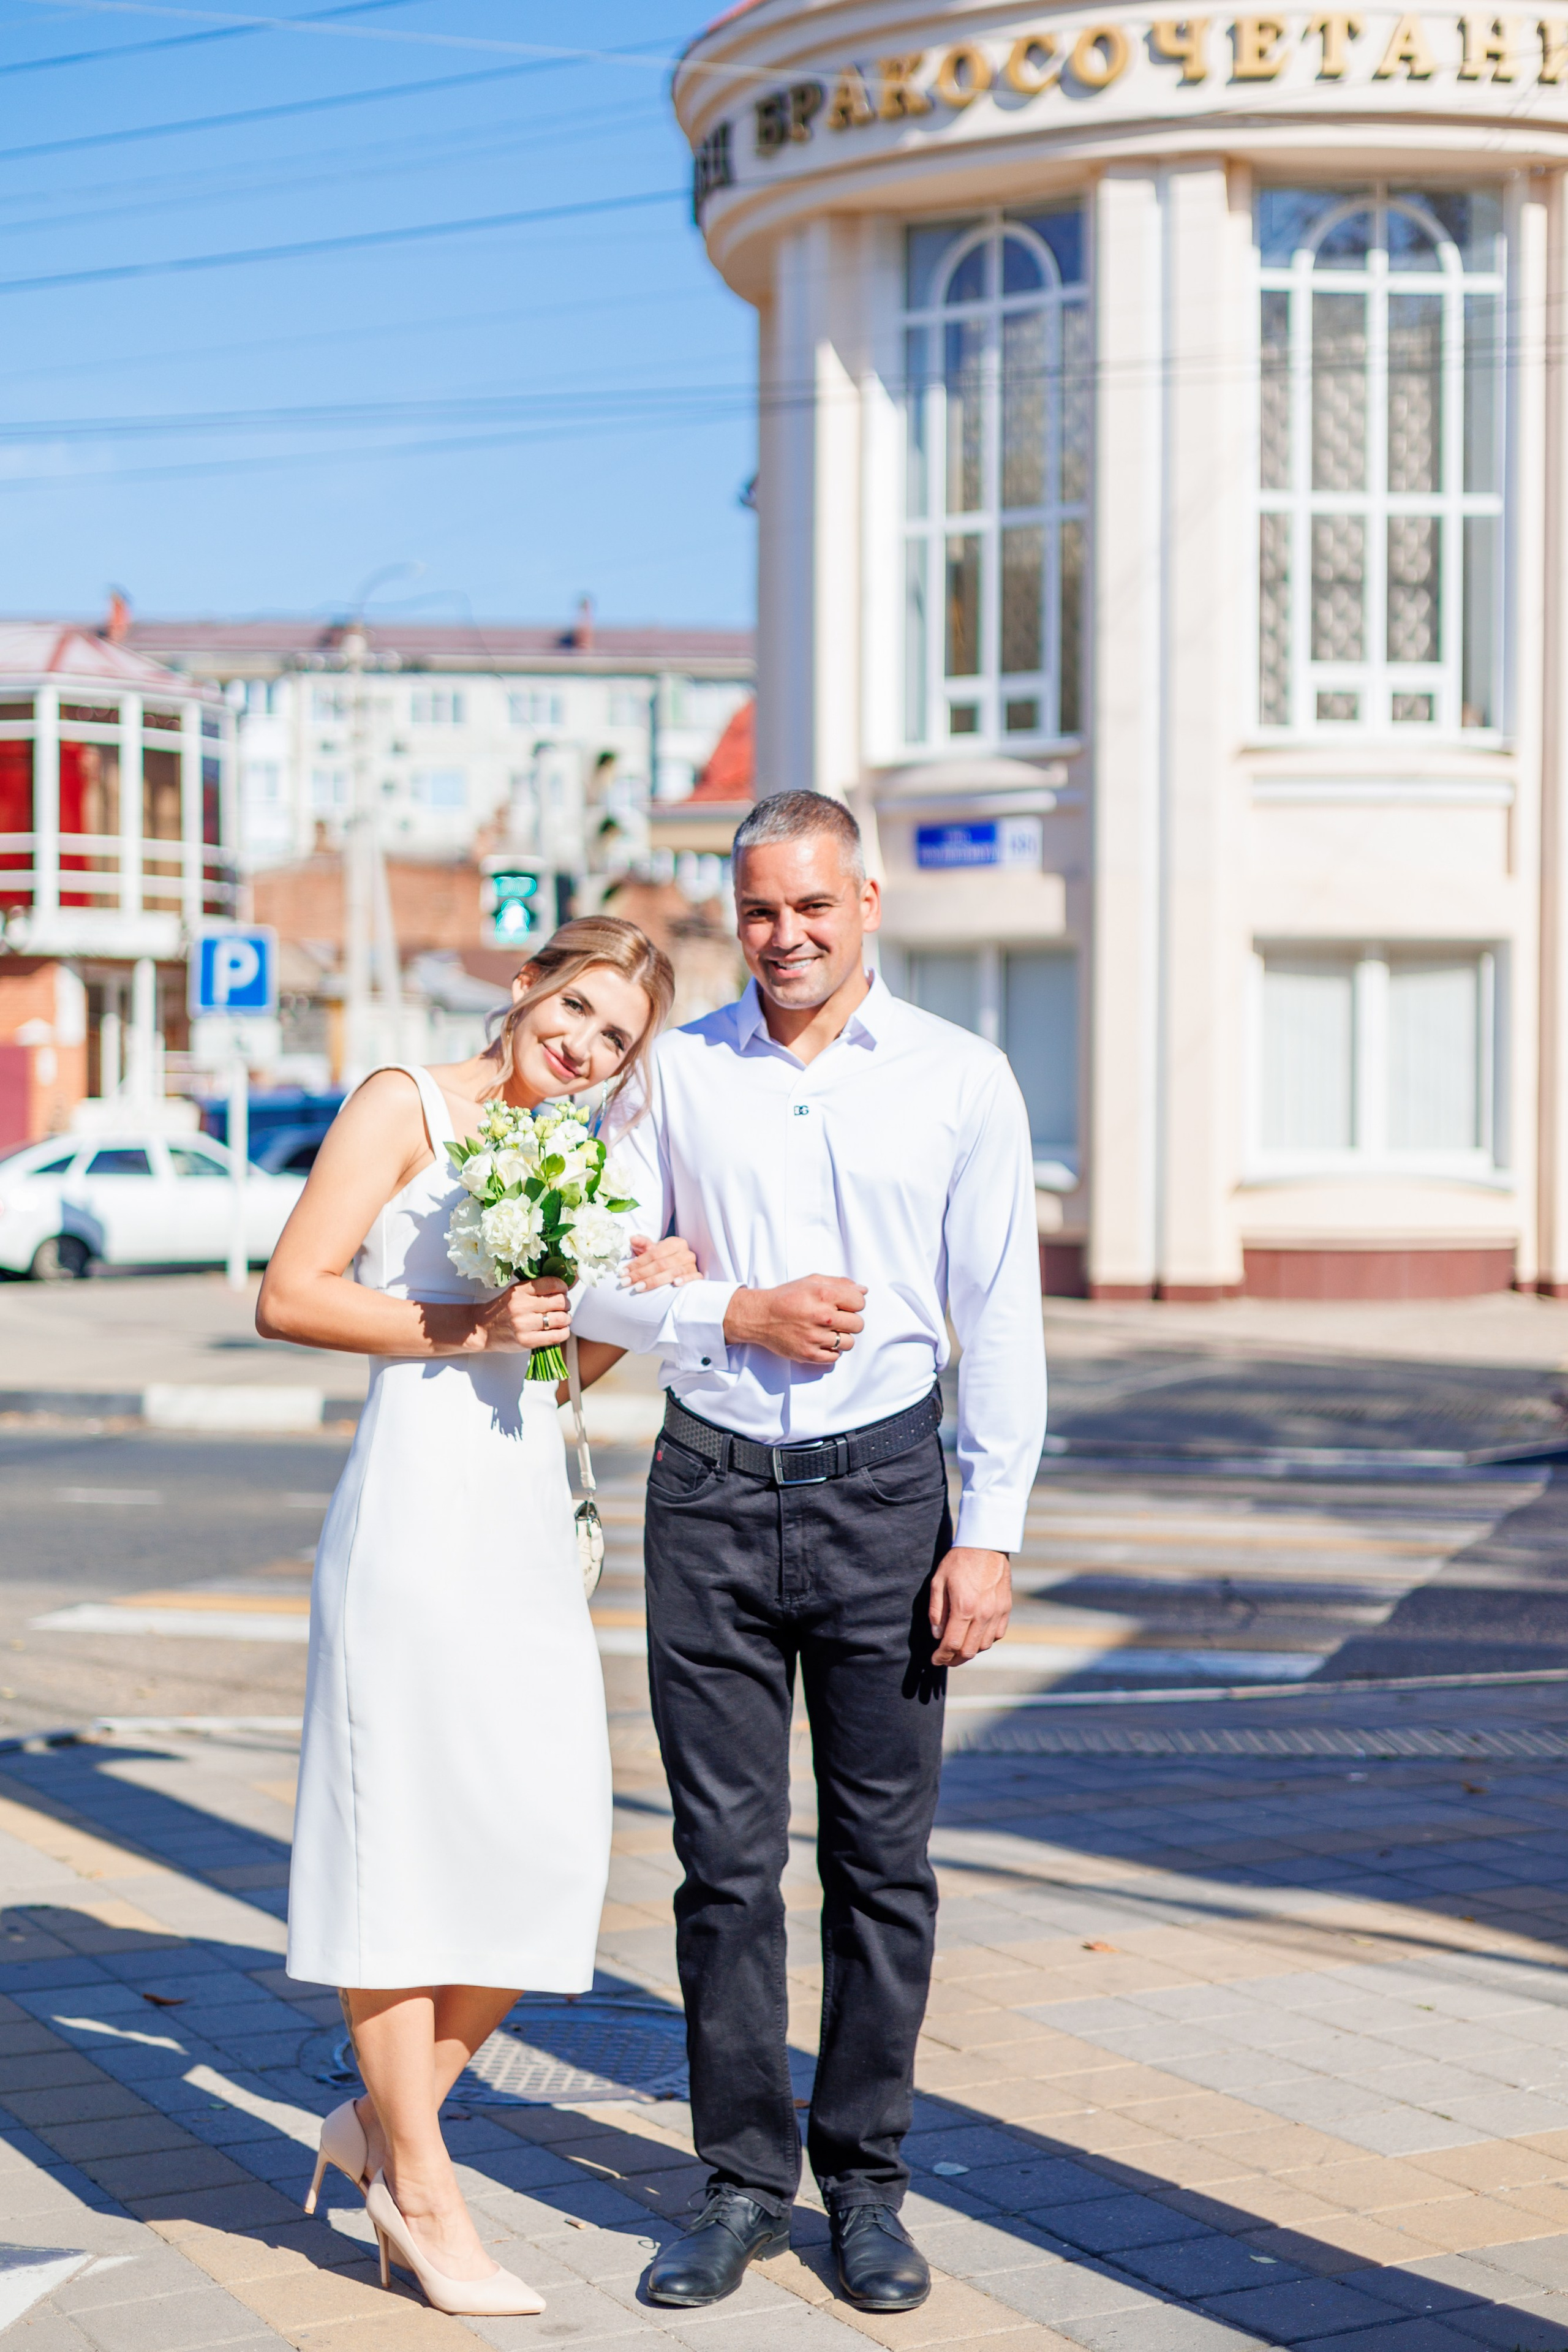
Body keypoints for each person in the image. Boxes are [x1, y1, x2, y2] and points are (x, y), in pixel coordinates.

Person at [572, 793, 1047, 2315]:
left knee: (878, 1866)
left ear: (867, 903)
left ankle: (866, 2184)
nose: (783, 938)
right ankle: (736, 2181)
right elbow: (599, 1280)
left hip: (887, 1496)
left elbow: (1003, 1322)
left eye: (810, 909)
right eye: (757, 912)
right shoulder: (677, 1073)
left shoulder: (960, 1081)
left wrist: (987, 1534)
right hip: (707, 1490)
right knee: (720, 1870)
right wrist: (729, 1310)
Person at [257, 916, 693, 2321]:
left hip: (516, 1516)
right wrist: (473, 1329)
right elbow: (291, 1294)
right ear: (523, 988)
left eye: (614, 1039)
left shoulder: (585, 1157)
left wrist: (642, 1307)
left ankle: (383, 2128)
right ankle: (426, 2190)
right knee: (399, 1857)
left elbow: (560, 1373)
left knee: (548, 1839)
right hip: (408, 1508)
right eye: (574, 1010)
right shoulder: (408, 1103)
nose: (583, 1045)